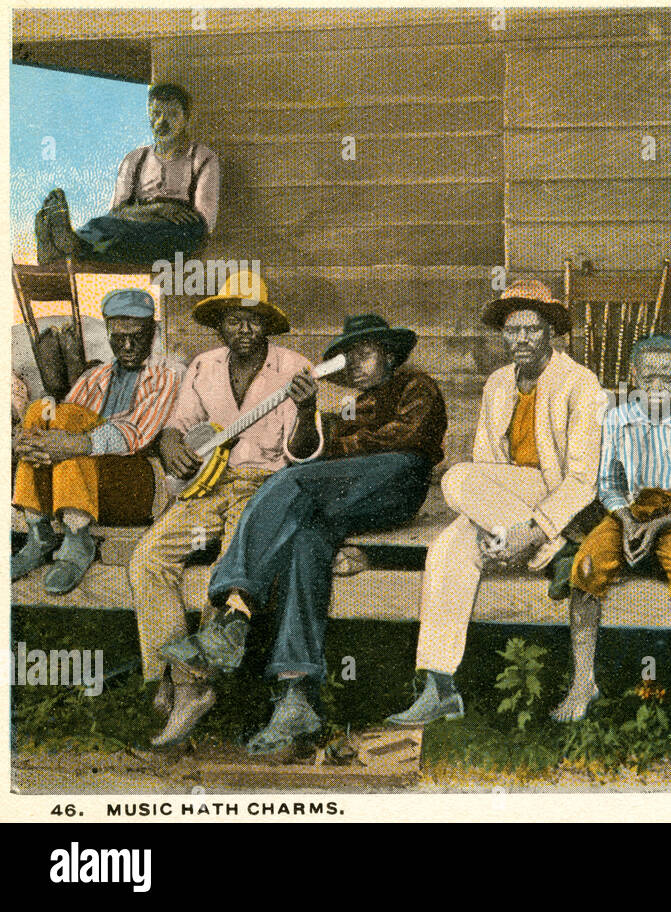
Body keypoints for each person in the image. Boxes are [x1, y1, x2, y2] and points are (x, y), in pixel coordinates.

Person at [157, 314, 446, 755]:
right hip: (353, 496)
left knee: (286, 484)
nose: (354, 365)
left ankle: (234, 611)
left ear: (388, 353)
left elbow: (413, 437)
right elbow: (309, 450)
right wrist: (309, 412)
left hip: (400, 481)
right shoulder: (351, 406)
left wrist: (336, 450)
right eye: (347, 358)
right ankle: (296, 695)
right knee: (305, 539)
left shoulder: (416, 385)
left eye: (363, 353)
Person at [386, 279, 605, 727]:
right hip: (508, 505)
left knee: (456, 477)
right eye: (511, 331)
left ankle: (550, 541)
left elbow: (583, 480)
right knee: (448, 547)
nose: (520, 339)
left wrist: (531, 530)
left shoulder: (581, 384)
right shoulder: (498, 384)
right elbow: (489, 466)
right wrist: (501, 528)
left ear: (551, 333)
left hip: (564, 503)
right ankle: (440, 686)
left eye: (531, 329)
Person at [128, 271, 310, 748]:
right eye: (234, 320)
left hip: (264, 488)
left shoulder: (295, 367)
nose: (243, 330)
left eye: (253, 320)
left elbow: (304, 454)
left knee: (230, 568)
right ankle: (178, 677)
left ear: (266, 324)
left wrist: (308, 412)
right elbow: (178, 424)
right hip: (207, 484)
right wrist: (169, 444)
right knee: (147, 559)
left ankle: (194, 684)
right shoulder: (204, 366)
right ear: (221, 326)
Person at [552, 335, 671, 736]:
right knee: (587, 566)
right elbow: (609, 484)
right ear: (633, 377)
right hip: (631, 512)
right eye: (649, 376)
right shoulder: (616, 420)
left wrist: (658, 525)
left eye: (667, 377)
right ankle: (583, 682)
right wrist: (629, 521)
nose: (658, 385)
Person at [12, 288, 177, 594]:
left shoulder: (164, 379)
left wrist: (76, 443)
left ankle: (77, 541)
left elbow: (135, 434)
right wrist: (26, 439)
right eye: (117, 337)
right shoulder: (94, 377)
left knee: (69, 431)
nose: (126, 346)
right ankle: (38, 532)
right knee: (41, 408)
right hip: (87, 479)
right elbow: (61, 418)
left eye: (136, 336)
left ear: (152, 333)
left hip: (134, 481)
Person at [37, 83, 218, 266]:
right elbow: (117, 212)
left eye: (172, 115)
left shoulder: (202, 158)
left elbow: (204, 223)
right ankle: (56, 245)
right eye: (156, 114)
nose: (162, 122)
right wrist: (156, 210)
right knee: (103, 224)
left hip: (178, 233)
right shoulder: (135, 158)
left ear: (186, 118)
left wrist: (165, 218)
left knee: (181, 231)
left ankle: (71, 246)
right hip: (137, 226)